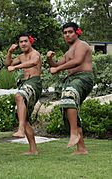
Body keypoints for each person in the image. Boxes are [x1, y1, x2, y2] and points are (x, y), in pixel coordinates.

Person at [46, 22, 94, 155]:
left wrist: (57, 68)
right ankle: (81, 148)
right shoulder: (68, 52)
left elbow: (77, 61)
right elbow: (56, 64)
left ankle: (73, 133)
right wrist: (50, 60)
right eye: (65, 33)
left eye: (70, 32)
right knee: (69, 108)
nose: (67, 35)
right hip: (72, 80)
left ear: (77, 32)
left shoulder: (82, 45)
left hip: (83, 78)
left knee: (69, 95)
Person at [5, 32, 42, 155]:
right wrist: (9, 52)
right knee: (24, 116)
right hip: (25, 83)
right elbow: (7, 65)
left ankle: (20, 129)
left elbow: (33, 62)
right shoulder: (21, 56)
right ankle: (33, 150)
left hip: (34, 83)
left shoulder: (35, 53)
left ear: (30, 42)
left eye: (25, 41)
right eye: (21, 42)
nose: (23, 44)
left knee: (19, 96)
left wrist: (16, 67)